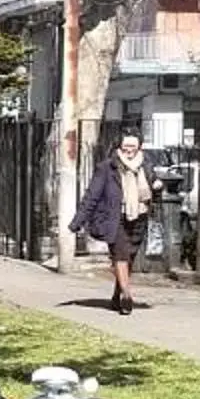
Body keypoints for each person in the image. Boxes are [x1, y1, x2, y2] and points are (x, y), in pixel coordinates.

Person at [72, 131, 152, 315]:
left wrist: (157, 186)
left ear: (139, 147)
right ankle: (126, 296)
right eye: (126, 146)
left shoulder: (145, 166)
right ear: (119, 147)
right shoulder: (107, 168)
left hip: (138, 216)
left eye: (133, 146)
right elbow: (92, 196)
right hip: (115, 218)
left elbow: (152, 184)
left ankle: (116, 295)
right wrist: (78, 222)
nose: (129, 150)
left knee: (128, 258)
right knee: (121, 255)